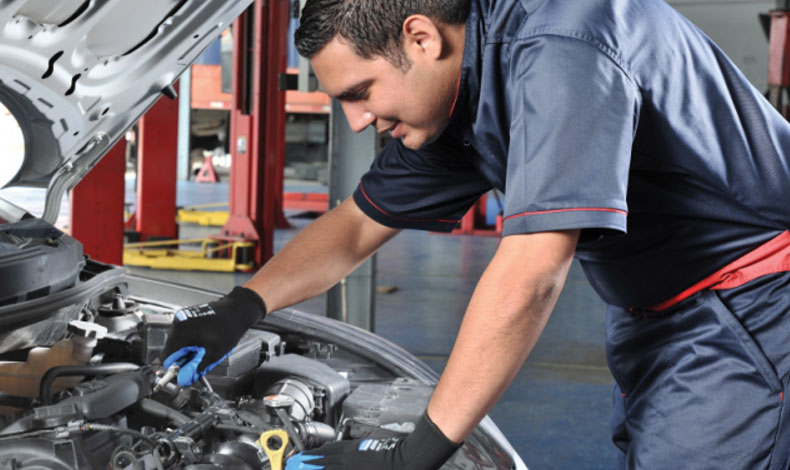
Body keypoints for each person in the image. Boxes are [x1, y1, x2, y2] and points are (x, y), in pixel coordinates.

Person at [162, 0, 790, 468]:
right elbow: (355, 225)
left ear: (421, 36)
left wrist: (414, 455)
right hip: (660, 311)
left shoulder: (560, 50)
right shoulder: (453, 94)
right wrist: (241, 307)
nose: (356, 122)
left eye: (359, 92)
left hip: (755, 305)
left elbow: (534, 272)